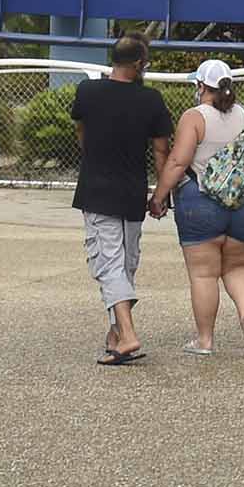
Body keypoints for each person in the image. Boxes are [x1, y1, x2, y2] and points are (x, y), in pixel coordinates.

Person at [149, 58, 244, 356]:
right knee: (239, 266)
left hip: (201, 205)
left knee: (204, 274)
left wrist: (159, 196)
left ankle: (204, 340)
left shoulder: (195, 117)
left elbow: (178, 162)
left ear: (200, 86)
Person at [71, 33, 172, 365]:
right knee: (126, 265)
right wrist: (161, 194)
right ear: (140, 64)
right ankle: (116, 333)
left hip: (97, 190)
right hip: (132, 193)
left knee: (108, 264)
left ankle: (127, 336)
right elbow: (161, 152)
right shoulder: (152, 100)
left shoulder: (88, 92)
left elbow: (82, 134)